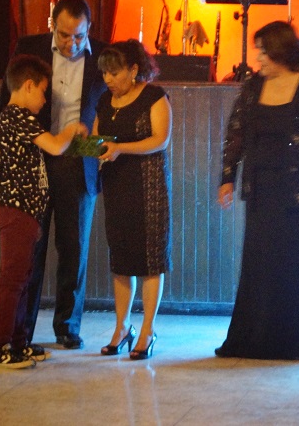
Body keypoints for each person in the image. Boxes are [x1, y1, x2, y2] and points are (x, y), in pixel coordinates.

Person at [215, 21, 299, 360]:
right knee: (265, 266)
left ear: (281, 51)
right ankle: (262, 340)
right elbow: (236, 134)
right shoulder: (252, 87)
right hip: (264, 190)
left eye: (264, 51)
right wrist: (227, 177)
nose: (258, 58)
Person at [0, 0, 107, 352]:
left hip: (78, 161)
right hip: (36, 158)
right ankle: (22, 331)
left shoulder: (103, 56)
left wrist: (94, 149)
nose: (71, 43)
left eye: (79, 36)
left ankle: (68, 326)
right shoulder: (28, 48)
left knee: (74, 248)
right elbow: (3, 105)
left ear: (88, 30)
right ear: (52, 25)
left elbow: (105, 111)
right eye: (64, 35)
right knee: (31, 249)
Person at [0, 55, 88, 368]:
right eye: (43, 92)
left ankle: (19, 342)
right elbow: (55, 146)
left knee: (24, 279)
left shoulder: (18, 118)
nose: (45, 100)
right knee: (12, 279)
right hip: (15, 210)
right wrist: (72, 129)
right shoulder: (17, 116)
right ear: (28, 86)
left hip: (26, 212)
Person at [93, 40, 172, 360]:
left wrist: (120, 149)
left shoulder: (154, 96)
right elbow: (98, 141)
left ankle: (148, 330)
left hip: (148, 187)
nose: (108, 79)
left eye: (114, 73)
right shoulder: (104, 100)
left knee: (150, 261)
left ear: (133, 70)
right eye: (105, 74)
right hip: (115, 186)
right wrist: (85, 143)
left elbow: (160, 139)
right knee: (121, 260)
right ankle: (122, 327)